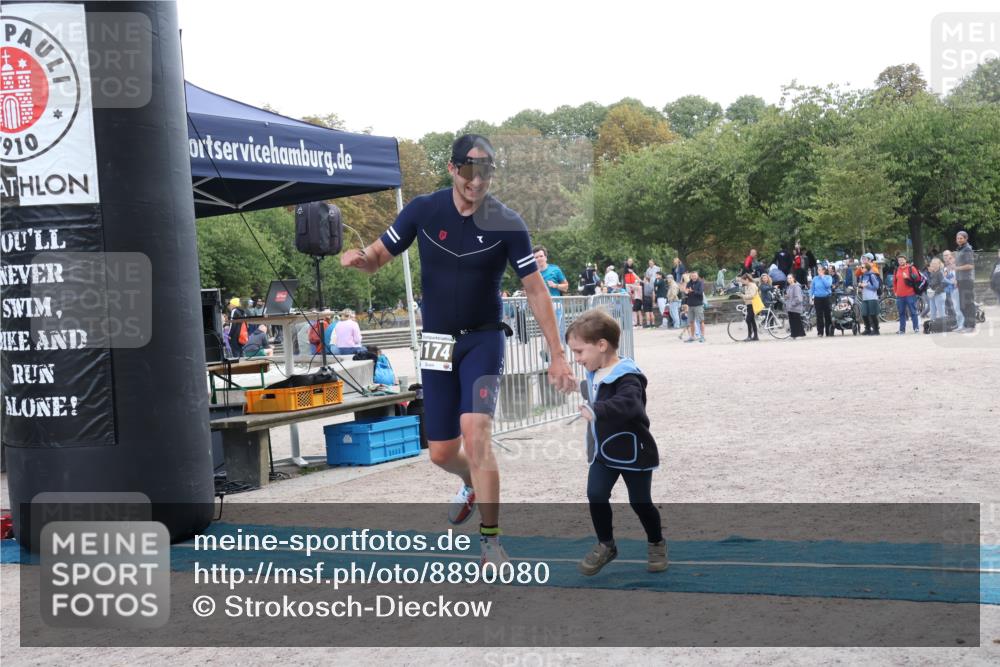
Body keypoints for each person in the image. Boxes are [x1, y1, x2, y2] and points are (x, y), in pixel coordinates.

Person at [340, 133, 576, 566]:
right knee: (442, 451)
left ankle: (491, 541)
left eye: (485, 170)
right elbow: (377, 257)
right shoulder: (423, 210)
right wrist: (359, 259)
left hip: (483, 338)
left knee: (477, 432)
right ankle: (470, 483)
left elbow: (537, 291)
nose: (476, 180)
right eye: (468, 169)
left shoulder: (507, 222)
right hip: (436, 342)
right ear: (452, 169)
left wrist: (557, 353)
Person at [565, 309, 665, 576]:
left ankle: (656, 542)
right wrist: (574, 385)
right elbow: (595, 387)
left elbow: (629, 403)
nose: (576, 359)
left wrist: (598, 411)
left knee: (640, 502)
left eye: (579, 352)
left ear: (601, 345)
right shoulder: (596, 370)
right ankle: (606, 545)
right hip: (604, 453)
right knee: (596, 495)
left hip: (634, 453)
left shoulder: (628, 375)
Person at [892, 255, 921, 334]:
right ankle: (902, 329)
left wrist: (908, 277)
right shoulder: (896, 270)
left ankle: (916, 328)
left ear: (905, 260)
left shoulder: (911, 268)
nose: (901, 261)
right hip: (900, 295)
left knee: (913, 312)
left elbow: (918, 278)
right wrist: (895, 291)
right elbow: (894, 282)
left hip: (910, 294)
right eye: (899, 260)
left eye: (902, 260)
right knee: (901, 313)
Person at [953, 231, 976, 332]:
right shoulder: (960, 249)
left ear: (966, 239)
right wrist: (957, 280)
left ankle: (971, 326)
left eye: (961, 238)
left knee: (968, 304)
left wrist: (956, 268)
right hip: (961, 280)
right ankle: (966, 325)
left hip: (967, 280)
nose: (959, 240)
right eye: (958, 238)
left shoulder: (967, 249)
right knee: (963, 305)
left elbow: (970, 265)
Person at [858, 254, 882, 336]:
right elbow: (862, 285)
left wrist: (867, 285)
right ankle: (867, 329)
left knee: (872, 314)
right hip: (865, 297)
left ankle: (876, 329)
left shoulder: (872, 275)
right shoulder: (862, 276)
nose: (861, 269)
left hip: (872, 297)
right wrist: (860, 287)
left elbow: (876, 286)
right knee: (864, 313)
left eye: (863, 268)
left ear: (867, 268)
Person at [942, 250, 964, 331]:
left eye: (950, 257)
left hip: (958, 289)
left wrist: (957, 280)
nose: (948, 258)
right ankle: (959, 324)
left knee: (958, 307)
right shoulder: (946, 267)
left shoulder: (958, 266)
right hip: (951, 289)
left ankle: (962, 325)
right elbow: (945, 278)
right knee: (955, 308)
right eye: (945, 256)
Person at [810, 265, 834, 337]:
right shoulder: (815, 278)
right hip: (817, 298)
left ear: (823, 271)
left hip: (826, 298)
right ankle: (820, 332)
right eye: (818, 270)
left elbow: (828, 285)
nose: (819, 271)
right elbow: (812, 289)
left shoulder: (828, 277)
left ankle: (828, 331)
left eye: (820, 270)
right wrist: (811, 297)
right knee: (819, 316)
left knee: (827, 315)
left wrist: (823, 277)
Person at [683, 271, 706, 343]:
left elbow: (700, 292)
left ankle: (702, 336)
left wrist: (692, 291)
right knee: (691, 322)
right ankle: (692, 337)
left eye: (695, 276)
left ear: (697, 276)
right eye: (692, 276)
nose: (694, 277)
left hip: (698, 304)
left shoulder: (700, 282)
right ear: (690, 276)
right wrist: (686, 292)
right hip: (690, 305)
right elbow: (686, 293)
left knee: (701, 321)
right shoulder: (689, 283)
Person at [784, 274, 806, 339]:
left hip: (795, 307)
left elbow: (799, 298)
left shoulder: (796, 287)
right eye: (788, 278)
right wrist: (786, 297)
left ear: (793, 279)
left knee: (797, 321)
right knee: (792, 322)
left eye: (790, 278)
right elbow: (789, 296)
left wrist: (792, 304)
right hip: (790, 308)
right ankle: (793, 335)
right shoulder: (789, 287)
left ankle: (801, 334)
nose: (789, 279)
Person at [740, 274, 759, 342]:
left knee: (748, 320)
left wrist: (743, 296)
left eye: (743, 281)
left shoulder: (753, 285)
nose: (742, 283)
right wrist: (743, 297)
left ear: (747, 280)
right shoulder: (746, 286)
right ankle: (755, 336)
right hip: (749, 305)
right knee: (752, 320)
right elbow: (747, 295)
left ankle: (749, 336)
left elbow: (752, 295)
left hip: (753, 305)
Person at [926, 257, 947, 321]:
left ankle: (943, 326)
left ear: (939, 264)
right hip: (932, 294)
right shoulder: (933, 272)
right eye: (932, 263)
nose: (933, 265)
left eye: (935, 263)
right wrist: (929, 288)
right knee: (932, 311)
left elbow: (944, 283)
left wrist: (936, 291)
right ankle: (933, 325)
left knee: (941, 312)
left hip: (939, 294)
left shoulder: (940, 273)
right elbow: (931, 283)